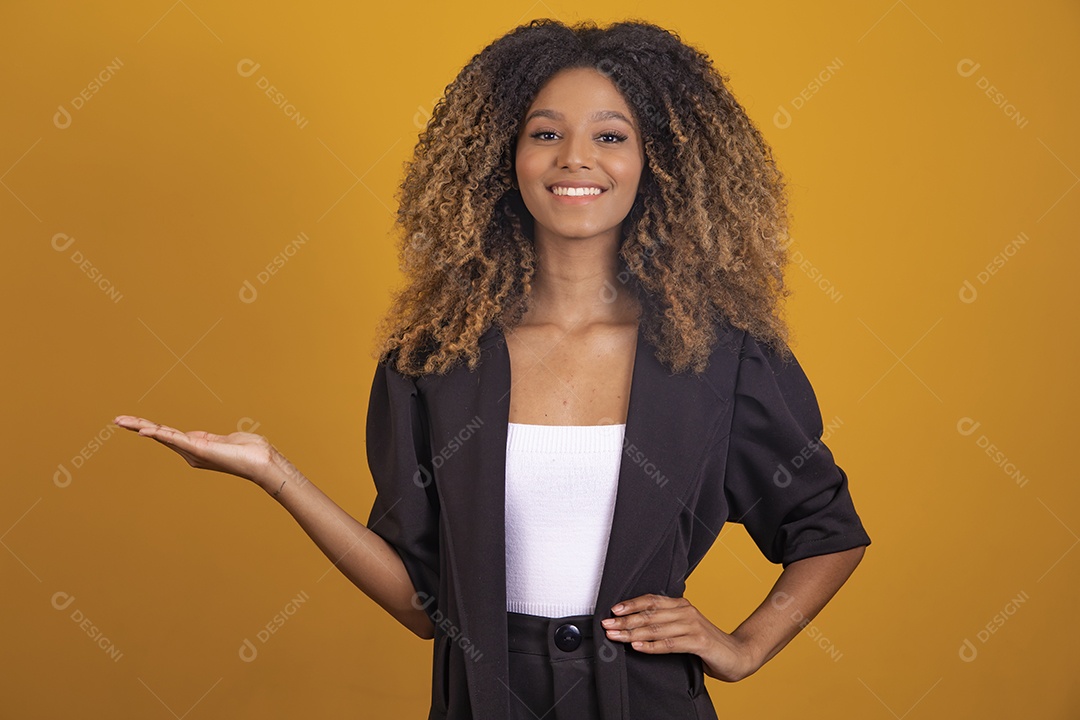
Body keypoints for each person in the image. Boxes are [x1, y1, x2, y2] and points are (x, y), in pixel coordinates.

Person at [114, 18, 871, 720]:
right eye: (546, 132)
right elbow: (423, 606)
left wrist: (740, 650)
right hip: (483, 700)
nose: (576, 157)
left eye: (612, 135)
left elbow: (828, 531)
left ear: (658, 164)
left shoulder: (718, 357)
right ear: (504, 159)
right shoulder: (432, 355)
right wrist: (275, 472)